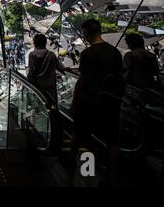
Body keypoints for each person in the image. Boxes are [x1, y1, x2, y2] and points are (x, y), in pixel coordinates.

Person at [71, 19, 124, 186]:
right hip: (111, 103)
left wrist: (74, 102)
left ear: (87, 33)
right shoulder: (115, 53)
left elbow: (82, 80)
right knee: (112, 140)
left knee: (81, 135)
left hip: (89, 102)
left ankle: (82, 171)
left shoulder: (88, 54)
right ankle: (112, 176)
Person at [27, 34, 66, 103]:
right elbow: (61, 68)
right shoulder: (51, 55)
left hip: (38, 89)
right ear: (45, 43)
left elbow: (32, 71)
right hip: (50, 88)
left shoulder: (32, 55)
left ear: (35, 44)